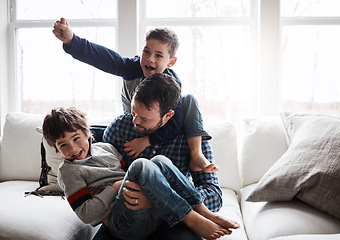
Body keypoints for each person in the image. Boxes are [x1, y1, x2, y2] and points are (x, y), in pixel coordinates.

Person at [42, 107, 239, 240]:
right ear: (57, 149)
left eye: (76, 138)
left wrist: (140, 192)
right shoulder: (68, 172)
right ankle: (191, 218)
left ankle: (202, 210)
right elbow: (86, 214)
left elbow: (131, 178)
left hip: (144, 212)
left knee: (160, 161)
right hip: (122, 224)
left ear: (87, 133)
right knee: (140, 165)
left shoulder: (107, 149)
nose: (73, 148)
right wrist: (114, 188)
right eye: (63, 145)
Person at [52, 17, 218, 173]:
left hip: (155, 130)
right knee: (90, 134)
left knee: (189, 100)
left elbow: (175, 123)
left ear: (171, 62)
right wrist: (72, 40)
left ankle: (196, 155)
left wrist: (146, 141)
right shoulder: (132, 68)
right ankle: (78, 171)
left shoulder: (170, 85)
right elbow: (105, 58)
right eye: (146, 51)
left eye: (158, 55)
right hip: (130, 126)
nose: (149, 59)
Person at [93, 73, 225, 239]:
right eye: (134, 112)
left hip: (171, 221)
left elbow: (214, 195)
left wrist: (159, 200)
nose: (135, 121)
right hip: (127, 214)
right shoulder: (119, 128)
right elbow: (101, 180)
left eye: (144, 118)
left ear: (168, 116)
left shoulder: (192, 138)